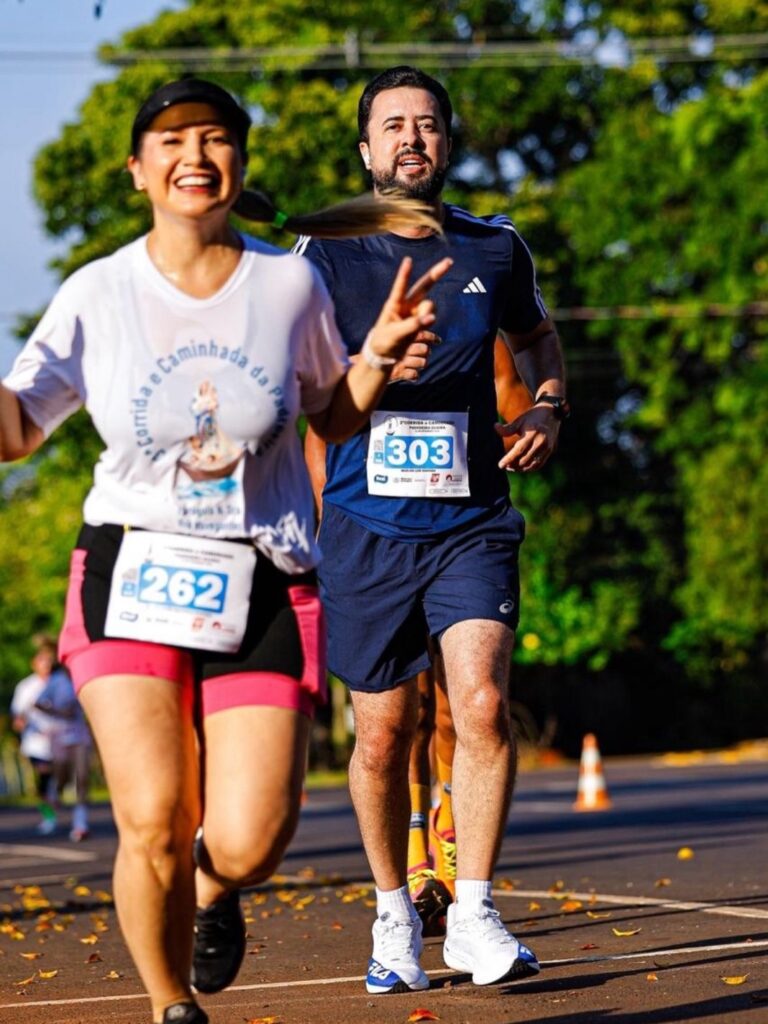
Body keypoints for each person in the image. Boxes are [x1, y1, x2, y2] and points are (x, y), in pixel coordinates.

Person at [0, 77, 450, 1024]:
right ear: (138, 170)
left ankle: (213, 891)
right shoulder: (99, 292)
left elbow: (329, 408)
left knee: (248, 838)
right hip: (132, 569)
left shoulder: (289, 283)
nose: (193, 156)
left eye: (214, 139)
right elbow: (17, 430)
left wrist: (375, 357)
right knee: (153, 820)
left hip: (267, 579)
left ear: (237, 163)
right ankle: (171, 1006)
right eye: (170, 141)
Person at [294, 65, 568, 994]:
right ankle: (392, 913)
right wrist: (372, 366)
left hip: (472, 521)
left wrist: (550, 405)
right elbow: (303, 401)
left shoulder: (497, 249)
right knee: (384, 735)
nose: (412, 138)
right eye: (393, 126)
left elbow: (536, 340)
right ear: (366, 149)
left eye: (428, 125)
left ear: (447, 143)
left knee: (482, 704)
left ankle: (478, 909)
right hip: (365, 524)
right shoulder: (319, 257)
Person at [304, 337, 533, 937]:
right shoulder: (350, 310)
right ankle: (411, 863)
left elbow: (516, 400)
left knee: (471, 704)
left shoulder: (485, 327)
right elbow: (319, 432)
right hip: (374, 541)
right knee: (404, 713)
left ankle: (454, 842)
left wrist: (527, 424)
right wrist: (329, 527)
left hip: (458, 533)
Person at [34, 664, 93, 841]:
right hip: (59, 734)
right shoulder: (57, 680)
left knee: (82, 777)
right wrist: (59, 712)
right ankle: (54, 793)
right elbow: (38, 703)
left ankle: (80, 823)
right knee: (62, 775)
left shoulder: (85, 673)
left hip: (80, 733)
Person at [10, 635, 61, 835]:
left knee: (56, 777)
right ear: (34, 664)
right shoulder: (25, 687)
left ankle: (56, 801)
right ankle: (49, 816)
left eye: (49, 660)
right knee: (43, 775)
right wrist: (20, 722)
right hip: (36, 742)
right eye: (41, 661)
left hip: (60, 739)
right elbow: (18, 714)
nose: (45, 664)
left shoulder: (61, 682)